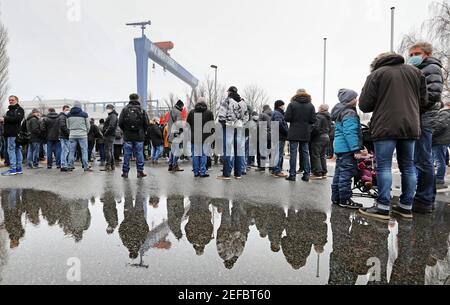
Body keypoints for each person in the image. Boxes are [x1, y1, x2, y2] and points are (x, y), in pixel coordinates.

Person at [359, 52, 428, 220]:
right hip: (410, 125)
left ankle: (383, 207)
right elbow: (424, 101)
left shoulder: (377, 74)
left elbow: (365, 105)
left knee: (383, 166)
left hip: (385, 126)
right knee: (408, 166)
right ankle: (405, 207)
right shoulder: (416, 73)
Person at [408, 42, 445, 214]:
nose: (412, 56)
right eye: (411, 54)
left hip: (424, 118)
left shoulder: (431, 67)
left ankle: (423, 200)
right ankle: (427, 198)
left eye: (416, 53)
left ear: (427, 53)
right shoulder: (423, 68)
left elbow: (433, 94)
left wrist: (413, 106)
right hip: (422, 117)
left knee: (422, 160)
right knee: (423, 160)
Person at [331, 89, 363, 209]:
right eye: (355, 97)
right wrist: (356, 149)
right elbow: (350, 132)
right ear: (349, 100)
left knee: (339, 173)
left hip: (340, 147)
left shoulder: (341, 111)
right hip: (347, 148)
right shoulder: (349, 112)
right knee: (346, 174)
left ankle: (336, 198)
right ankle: (345, 199)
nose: (357, 99)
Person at [285, 89, 316, 182]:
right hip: (305, 132)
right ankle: (306, 175)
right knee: (305, 153)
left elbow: (286, 118)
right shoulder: (311, 105)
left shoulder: (292, 104)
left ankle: (292, 175)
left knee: (293, 154)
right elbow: (313, 120)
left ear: (296, 94)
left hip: (294, 131)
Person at [217, 86, 248, 180]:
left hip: (229, 126)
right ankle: (238, 174)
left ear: (229, 92)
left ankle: (226, 174)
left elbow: (221, 115)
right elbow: (246, 117)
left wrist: (223, 124)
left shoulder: (227, 101)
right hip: (239, 127)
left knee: (228, 150)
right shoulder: (243, 103)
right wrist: (241, 123)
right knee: (238, 150)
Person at [118, 93, 149, 179]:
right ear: (137, 99)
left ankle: (125, 172)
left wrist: (125, 130)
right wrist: (143, 131)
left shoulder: (124, 109)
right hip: (139, 136)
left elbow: (120, 123)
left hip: (128, 135)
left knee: (127, 154)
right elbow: (146, 123)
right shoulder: (142, 110)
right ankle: (140, 172)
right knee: (139, 153)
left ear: (130, 99)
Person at [187, 98, 214, 178]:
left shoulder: (191, 112)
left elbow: (187, 125)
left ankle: (196, 172)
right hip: (205, 138)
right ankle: (202, 172)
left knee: (195, 155)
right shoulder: (209, 113)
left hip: (194, 137)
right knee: (203, 155)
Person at [1, 96, 25, 176]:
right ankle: (18, 169)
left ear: (17, 101)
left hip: (14, 134)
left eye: (12, 100)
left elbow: (18, 119)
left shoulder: (19, 109)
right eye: (9, 100)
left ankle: (13, 169)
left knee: (12, 151)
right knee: (17, 150)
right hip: (10, 134)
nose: (10, 101)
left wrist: (5, 119)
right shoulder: (9, 110)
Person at [67, 101, 92, 172]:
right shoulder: (84, 114)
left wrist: (71, 132)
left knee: (71, 151)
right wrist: (85, 132)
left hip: (72, 135)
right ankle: (86, 166)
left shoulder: (68, 115)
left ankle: (70, 166)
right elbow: (88, 126)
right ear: (80, 106)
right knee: (84, 151)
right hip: (82, 135)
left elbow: (67, 126)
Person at [310, 104, 332, 180]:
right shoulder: (328, 117)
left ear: (321, 109)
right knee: (322, 155)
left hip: (319, 137)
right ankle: (324, 172)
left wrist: (310, 134)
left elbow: (315, 128)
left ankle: (317, 173)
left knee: (316, 155)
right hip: (326, 137)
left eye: (319, 107)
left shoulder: (319, 116)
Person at [431, 101, 450, 187]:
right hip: (443, 140)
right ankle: (439, 177)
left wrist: (431, 133)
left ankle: (439, 178)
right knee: (440, 160)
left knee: (439, 160)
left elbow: (441, 125)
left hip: (439, 140)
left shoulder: (444, 113)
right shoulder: (446, 114)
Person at [271, 100, 289, 178]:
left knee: (276, 153)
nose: (284, 107)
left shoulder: (276, 113)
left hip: (276, 136)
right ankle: (277, 171)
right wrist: (286, 132)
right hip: (279, 136)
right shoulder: (278, 113)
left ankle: (275, 169)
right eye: (283, 105)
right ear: (280, 106)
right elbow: (279, 124)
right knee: (278, 154)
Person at [167, 100, 185, 172]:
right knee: (178, 151)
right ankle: (175, 165)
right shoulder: (179, 112)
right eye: (182, 106)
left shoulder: (171, 111)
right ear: (180, 105)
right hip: (176, 134)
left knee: (172, 150)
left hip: (170, 133)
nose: (183, 108)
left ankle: (170, 165)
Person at [101, 104, 118, 172]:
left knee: (107, 150)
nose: (107, 109)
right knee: (110, 150)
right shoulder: (112, 115)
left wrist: (105, 133)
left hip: (109, 135)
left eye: (109, 108)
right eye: (107, 108)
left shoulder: (112, 116)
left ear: (112, 108)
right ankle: (112, 165)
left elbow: (111, 126)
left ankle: (108, 165)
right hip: (110, 135)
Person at [256, 105, 273, 172]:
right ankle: (271, 167)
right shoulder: (273, 114)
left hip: (263, 136)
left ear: (264, 109)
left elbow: (258, 125)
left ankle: (262, 167)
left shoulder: (262, 115)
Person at [59, 105, 71, 172]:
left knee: (66, 150)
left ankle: (64, 164)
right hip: (64, 136)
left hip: (64, 136)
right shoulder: (62, 116)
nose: (68, 111)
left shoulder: (65, 116)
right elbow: (62, 126)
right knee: (65, 151)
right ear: (63, 110)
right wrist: (69, 133)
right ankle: (63, 165)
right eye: (66, 109)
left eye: (68, 109)